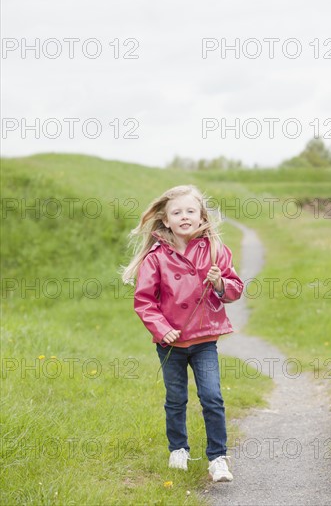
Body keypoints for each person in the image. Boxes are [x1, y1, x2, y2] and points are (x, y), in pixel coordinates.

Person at [120, 184, 244, 482]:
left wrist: (218, 284)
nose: (184, 216)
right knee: (175, 398)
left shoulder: (215, 250)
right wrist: (163, 330)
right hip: (171, 343)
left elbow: (235, 289)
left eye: (191, 211)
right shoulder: (155, 257)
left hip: (204, 340)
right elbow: (144, 301)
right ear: (165, 219)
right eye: (177, 212)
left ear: (201, 216)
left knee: (212, 396)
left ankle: (217, 457)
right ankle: (178, 448)